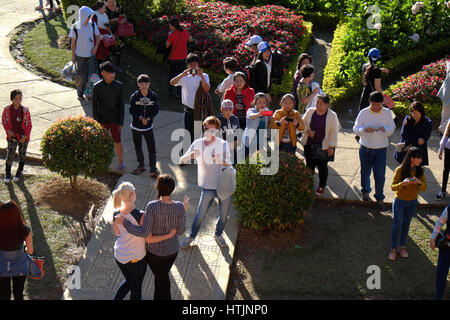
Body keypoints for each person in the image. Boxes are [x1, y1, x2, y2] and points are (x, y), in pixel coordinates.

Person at [116, 175, 187, 300]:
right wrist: (182, 213)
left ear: (157, 188)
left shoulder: (152, 206)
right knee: (161, 278)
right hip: (172, 252)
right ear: (172, 189)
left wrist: (125, 223)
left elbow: (144, 232)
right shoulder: (179, 207)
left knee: (161, 279)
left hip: (154, 255)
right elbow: (181, 231)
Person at [179, 116, 232, 249]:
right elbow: (181, 160)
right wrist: (191, 155)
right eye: (207, 129)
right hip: (208, 187)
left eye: (212, 130)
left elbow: (228, 163)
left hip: (223, 186)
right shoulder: (198, 143)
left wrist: (216, 158)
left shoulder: (223, 144)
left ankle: (218, 235)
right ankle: (191, 236)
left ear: (218, 130)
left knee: (224, 215)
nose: (209, 133)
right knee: (200, 215)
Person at [353, 91, 395, 208]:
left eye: (378, 105)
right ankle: (365, 191)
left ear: (382, 103)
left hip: (381, 149)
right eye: (373, 105)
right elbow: (356, 128)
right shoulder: (363, 112)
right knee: (365, 172)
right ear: (370, 102)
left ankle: (379, 196)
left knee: (380, 174)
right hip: (366, 148)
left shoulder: (387, 113)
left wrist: (385, 130)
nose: (376, 107)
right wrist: (364, 130)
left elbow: (392, 128)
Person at [389, 147, 427, 261]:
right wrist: (403, 184)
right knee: (397, 225)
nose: (421, 160)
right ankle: (393, 249)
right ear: (411, 158)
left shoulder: (420, 171)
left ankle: (402, 246)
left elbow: (425, 188)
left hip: (412, 202)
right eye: (418, 158)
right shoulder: (400, 170)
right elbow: (392, 187)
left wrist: (419, 182)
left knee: (406, 224)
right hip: (400, 202)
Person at [301, 94, 339, 196]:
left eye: (321, 104)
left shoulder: (332, 116)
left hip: (324, 146)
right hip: (309, 144)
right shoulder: (310, 111)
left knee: (322, 167)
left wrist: (332, 147)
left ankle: (321, 186)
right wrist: (307, 131)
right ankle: (308, 185)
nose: (318, 105)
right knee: (309, 166)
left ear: (327, 105)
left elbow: (334, 132)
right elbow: (301, 124)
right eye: (317, 103)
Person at [170, 53, 210, 145]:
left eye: (195, 64)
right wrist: (182, 74)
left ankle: (197, 154)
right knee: (187, 134)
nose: (193, 67)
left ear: (198, 65)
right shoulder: (184, 77)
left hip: (199, 110)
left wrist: (202, 76)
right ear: (187, 65)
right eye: (190, 64)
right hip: (188, 110)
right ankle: (188, 153)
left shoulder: (204, 75)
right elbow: (172, 83)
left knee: (198, 135)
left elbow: (206, 89)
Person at [92, 61, 125, 169]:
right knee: (102, 142)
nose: (112, 74)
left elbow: (121, 105)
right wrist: (95, 121)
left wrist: (121, 121)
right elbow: (94, 106)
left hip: (115, 119)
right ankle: (101, 161)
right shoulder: (97, 87)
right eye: (109, 72)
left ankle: (120, 162)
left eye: (113, 72)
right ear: (103, 73)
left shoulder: (118, 86)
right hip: (102, 119)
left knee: (117, 141)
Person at [0, 200, 34, 300]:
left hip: (1, 267)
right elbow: (30, 251)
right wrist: (24, 248)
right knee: (18, 294)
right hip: (20, 267)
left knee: (4, 295)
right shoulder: (25, 230)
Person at [129, 74, 160, 177]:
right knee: (138, 147)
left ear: (149, 84)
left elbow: (156, 109)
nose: (144, 86)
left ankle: (153, 169)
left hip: (148, 127)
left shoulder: (153, 95)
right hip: (136, 127)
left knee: (152, 148)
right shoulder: (135, 96)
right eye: (142, 84)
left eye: (146, 84)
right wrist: (141, 118)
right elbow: (131, 110)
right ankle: (141, 165)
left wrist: (148, 118)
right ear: (138, 84)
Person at [69, 6, 100, 99]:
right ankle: (80, 93)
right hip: (79, 56)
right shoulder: (75, 27)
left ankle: (89, 92)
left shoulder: (93, 25)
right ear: (83, 16)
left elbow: (98, 37)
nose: (89, 18)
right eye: (88, 16)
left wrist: (95, 48)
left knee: (90, 75)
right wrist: (73, 56)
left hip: (90, 55)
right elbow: (73, 43)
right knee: (80, 76)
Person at [2, 90, 32, 183]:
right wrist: (8, 131)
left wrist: (25, 136)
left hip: (23, 137)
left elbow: (29, 124)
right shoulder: (7, 110)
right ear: (12, 99)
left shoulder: (25, 110)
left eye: (20, 99)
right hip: (12, 137)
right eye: (16, 99)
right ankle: (7, 173)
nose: (18, 101)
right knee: (10, 154)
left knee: (22, 154)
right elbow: (4, 121)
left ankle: (19, 172)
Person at [166, 18, 193, 99]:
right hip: (183, 58)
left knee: (172, 75)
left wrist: (168, 36)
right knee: (181, 76)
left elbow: (167, 46)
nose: (169, 26)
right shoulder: (185, 32)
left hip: (173, 58)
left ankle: (170, 91)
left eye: (170, 25)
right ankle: (179, 93)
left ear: (173, 26)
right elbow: (191, 39)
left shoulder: (171, 34)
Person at [358, 48, 389, 112]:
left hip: (365, 94)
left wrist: (381, 69)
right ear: (377, 59)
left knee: (363, 114)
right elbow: (377, 87)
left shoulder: (364, 66)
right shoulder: (377, 71)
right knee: (388, 110)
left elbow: (371, 70)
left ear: (368, 57)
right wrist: (384, 97)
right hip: (374, 97)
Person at [430, 205, 449, 300]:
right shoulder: (449, 209)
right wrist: (433, 238)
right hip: (446, 249)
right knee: (441, 273)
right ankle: (439, 296)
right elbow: (439, 223)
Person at [242, 93, 271, 157]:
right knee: (246, 157)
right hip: (249, 139)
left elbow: (272, 118)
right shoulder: (250, 110)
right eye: (259, 102)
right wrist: (259, 114)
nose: (262, 104)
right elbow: (250, 116)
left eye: (264, 102)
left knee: (257, 157)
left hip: (260, 139)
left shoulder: (267, 111)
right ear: (255, 103)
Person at [217, 99, 240, 164]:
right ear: (222, 110)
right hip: (222, 145)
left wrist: (236, 140)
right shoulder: (218, 120)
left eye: (230, 110)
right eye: (226, 110)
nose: (228, 112)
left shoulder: (235, 119)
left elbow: (237, 131)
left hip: (232, 144)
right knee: (223, 163)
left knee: (234, 162)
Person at [105, 0, 125, 70]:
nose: (113, 3)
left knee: (119, 48)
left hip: (119, 32)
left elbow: (124, 17)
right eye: (111, 1)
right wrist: (113, 20)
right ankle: (107, 65)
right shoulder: (104, 7)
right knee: (108, 47)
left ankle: (117, 65)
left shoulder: (119, 7)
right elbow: (103, 20)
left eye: (114, 1)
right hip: (108, 31)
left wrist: (122, 20)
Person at [91, 1, 111, 71]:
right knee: (98, 56)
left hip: (104, 38)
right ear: (99, 8)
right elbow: (94, 28)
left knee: (105, 55)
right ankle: (98, 71)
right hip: (97, 39)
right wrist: (106, 30)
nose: (105, 9)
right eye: (104, 8)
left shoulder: (104, 15)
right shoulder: (94, 15)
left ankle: (106, 69)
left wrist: (108, 30)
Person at [436, 120, 450, 200]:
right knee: (446, 170)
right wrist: (441, 149)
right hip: (449, 148)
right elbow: (446, 134)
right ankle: (443, 190)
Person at [437, 59, 450, 134]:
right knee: (445, 113)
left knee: (445, 113)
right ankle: (443, 129)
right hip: (447, 92)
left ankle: (443, 130)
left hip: (446, 92)